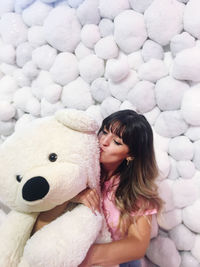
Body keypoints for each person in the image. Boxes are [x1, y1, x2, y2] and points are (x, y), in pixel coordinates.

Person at [32, 109, 163, 267]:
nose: (104, 142)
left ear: (130, 155)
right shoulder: (78, 170)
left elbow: (137, 246)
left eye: (117, 142)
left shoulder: (134, 190)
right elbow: (39, 229)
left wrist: (80, 258)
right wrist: (71, 196)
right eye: (104, 132)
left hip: (114, 261)